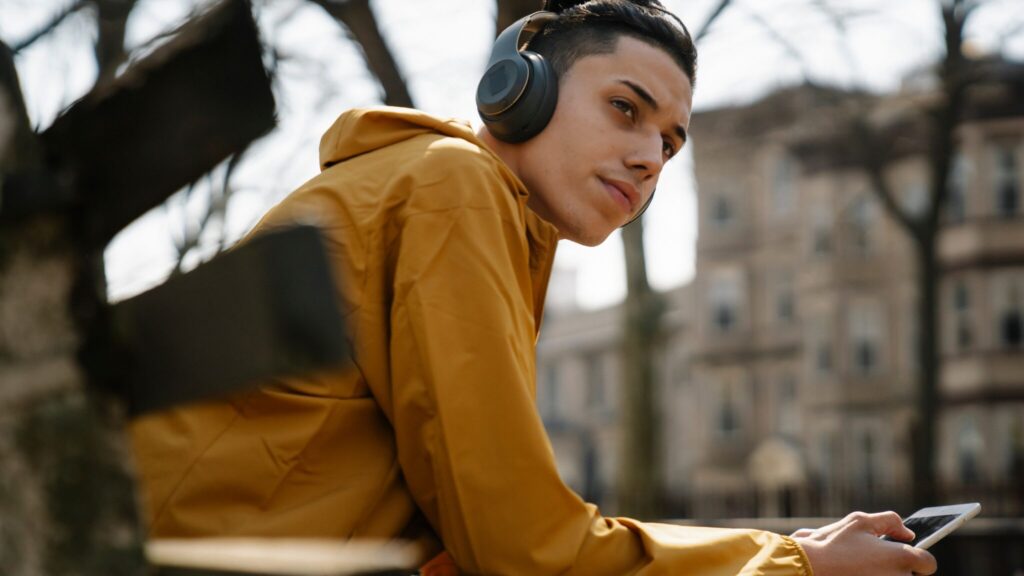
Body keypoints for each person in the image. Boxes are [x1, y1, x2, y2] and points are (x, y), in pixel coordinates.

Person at [130, 1, 938, 574]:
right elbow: (524, 547)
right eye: (626, 109)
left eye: (669, 142)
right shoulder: (452, 187)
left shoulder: (444, 199)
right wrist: (793, 564)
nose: (651, 157)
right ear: (518, 94)